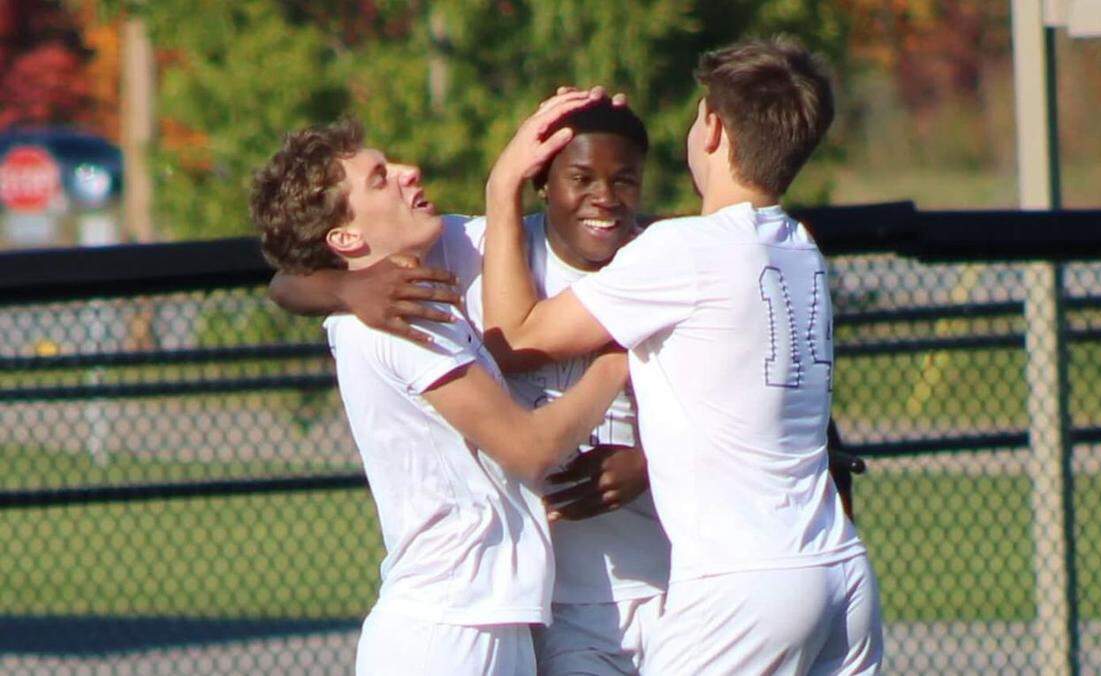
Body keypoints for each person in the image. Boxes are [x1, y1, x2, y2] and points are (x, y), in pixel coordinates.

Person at [480, 37, 884, 674]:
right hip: (840, 572)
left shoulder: (684, 251)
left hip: (746, 586)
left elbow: (518, 338)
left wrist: (504, 184)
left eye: (700, 115)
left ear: (715, 131)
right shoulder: (796, 243)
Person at [268, 99, 672, 675]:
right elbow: (286, 276)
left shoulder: (668, 258)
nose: (603, 196)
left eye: (623, 177)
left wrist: (653, 459)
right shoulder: (427, 287)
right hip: (473, 620)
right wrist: (347, 288)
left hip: (583, 600)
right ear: (540, 181)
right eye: (381, 177)